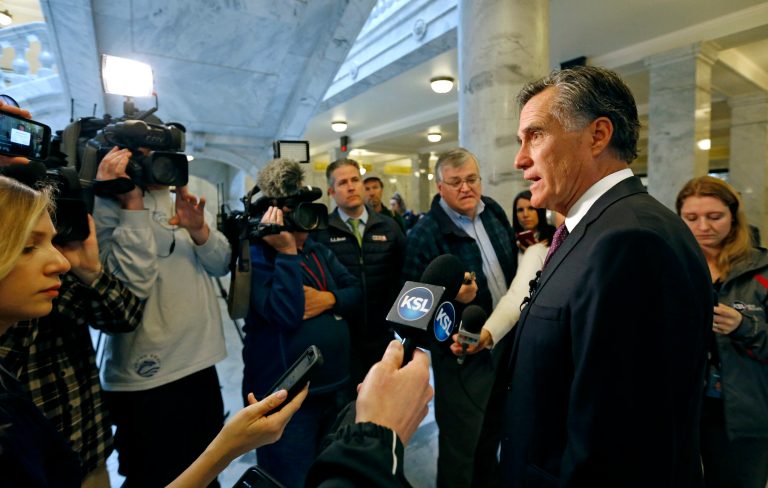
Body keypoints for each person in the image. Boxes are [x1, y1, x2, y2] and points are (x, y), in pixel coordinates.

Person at [501, 66, 712, 486]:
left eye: (535, 135)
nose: (520, 159)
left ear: (598, 135)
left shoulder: (632, 240)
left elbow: (619, 444)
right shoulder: (595, 228)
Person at [93, 147, 231, 487]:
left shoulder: (182, 198)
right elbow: (125, 287)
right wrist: (131, 205)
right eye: (140, 156)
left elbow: (221, 263)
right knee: (151, 476)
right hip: (145, 375)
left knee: (207, 469)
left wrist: (200, 231)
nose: (154, 165)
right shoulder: (106, 203)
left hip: (200, 362)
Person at [243, 158, 362, 488]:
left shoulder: (319, 250)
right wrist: (286, 253)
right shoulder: (257, 257)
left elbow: (356, 291)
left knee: (330, 475)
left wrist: (328, 299)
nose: (304, 225)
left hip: (335, 389)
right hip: (288, 402)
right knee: (291, 479)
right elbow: (286, 313)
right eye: (295, 214)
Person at [403, 147, 517, 488]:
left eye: (471, 179)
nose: (466, 188)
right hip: (461, 360)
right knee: (461, 447)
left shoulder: (493, 210)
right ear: (440, 187)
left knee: (494, 434)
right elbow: (411, 314)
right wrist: (450, 298)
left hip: (504, 342)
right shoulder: (424, 234)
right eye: (455, 182)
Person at [676, 176, 768, 488]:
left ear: (733, 217)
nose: (703, 226)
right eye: (691, 218)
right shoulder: (674, 267)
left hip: (745, 415)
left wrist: (744, 326)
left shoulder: (762, 271)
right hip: (683, 410)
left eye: (714, 217)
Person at [314, 160, 405, 387]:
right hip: (343, 338)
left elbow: (404, 275)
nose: (351, 187)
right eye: (343, 182)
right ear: (331, 191)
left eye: (355, 180)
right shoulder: (321, 232)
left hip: (384, 335)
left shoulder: (389, 227)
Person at [511, 189, 555, 254]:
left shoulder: (554, 235)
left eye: (531, 208)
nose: (525, 215)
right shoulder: (511, 241)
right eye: (520, 210)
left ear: (540, 210)